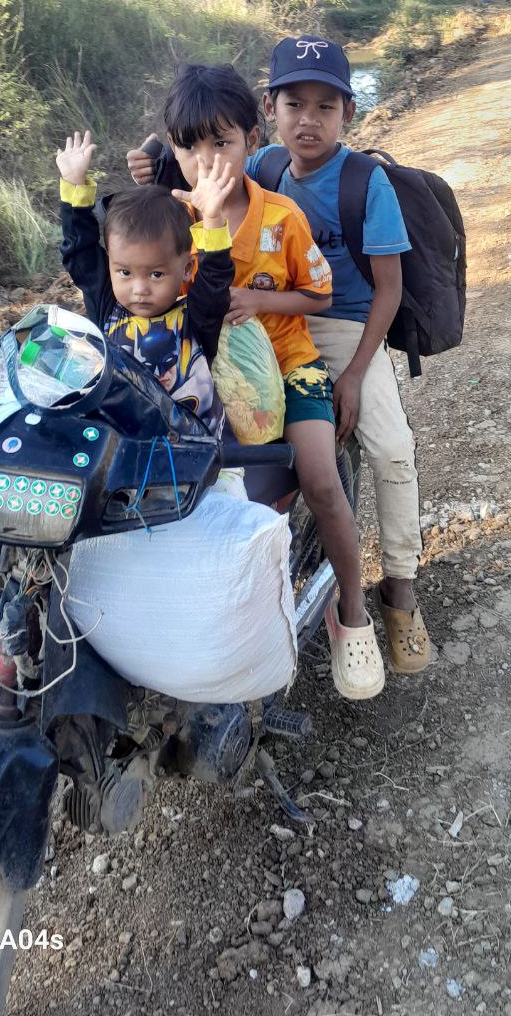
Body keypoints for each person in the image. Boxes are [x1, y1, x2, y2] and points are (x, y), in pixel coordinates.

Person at [130, 64, 387, 701]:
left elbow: (320, 294)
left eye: (223, 143)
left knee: (319, 477)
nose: (207, 160)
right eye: (191, 146)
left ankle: (353, 612)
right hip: (200, 378)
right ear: (174, 150)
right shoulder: (167, 222)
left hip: (288, 363)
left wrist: (260, 300)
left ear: (251, 140)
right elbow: (128, 284)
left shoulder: (283, 216)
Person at [253, 37, 431, 680]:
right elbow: (204, 191)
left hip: (347, 329)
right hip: (271, 323)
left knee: (391, 449)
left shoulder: (364, 182)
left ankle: (401, 591)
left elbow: (389, 289)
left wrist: (355, 374)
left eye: (325, 106)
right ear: (269, 108)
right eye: (294, 103)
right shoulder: (265, 168)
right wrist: (154, 166)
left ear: (348, 114)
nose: (309, 119)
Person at [56, 130, 235, 438]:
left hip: (197, 456)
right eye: (124, 272)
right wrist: (74, 188)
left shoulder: (197, 319)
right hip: (123, 454)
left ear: (188, 268)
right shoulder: (108, 305)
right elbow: (80, 251)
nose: (139, 289)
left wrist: (213, 219)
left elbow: (216, 279)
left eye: (155, 274)